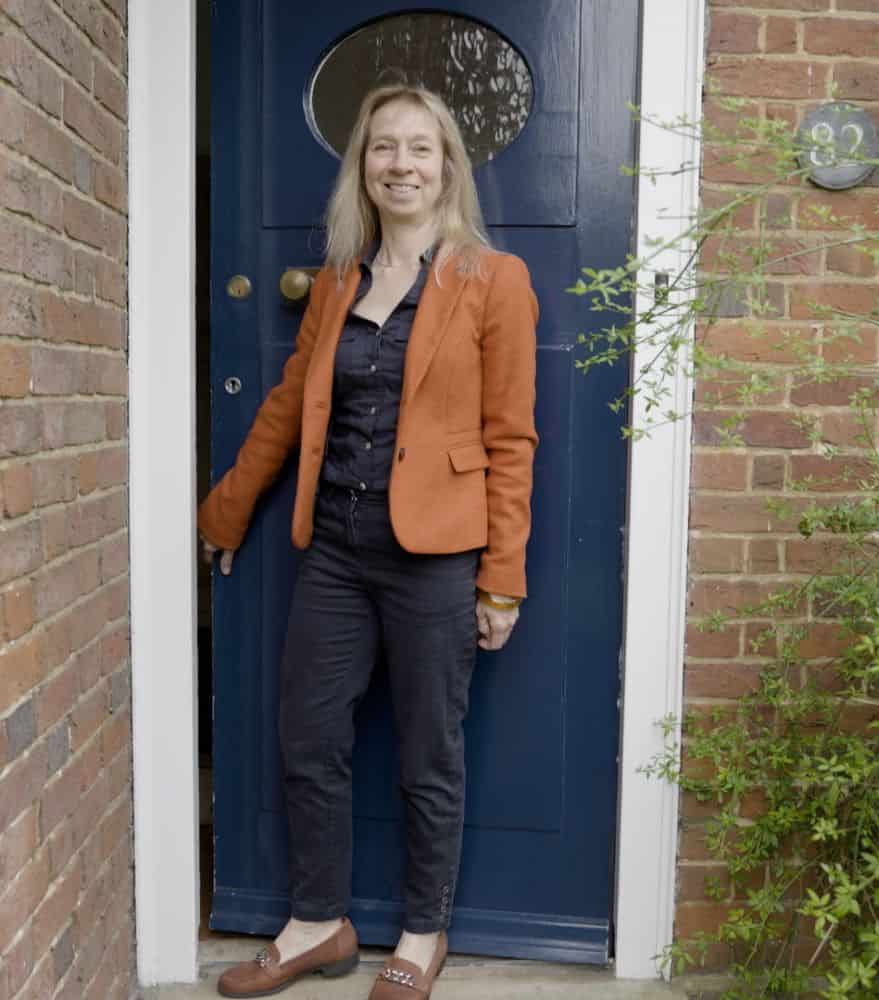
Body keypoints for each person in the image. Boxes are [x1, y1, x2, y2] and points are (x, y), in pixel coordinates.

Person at [198, 84, 538, 1000]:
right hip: (339, 550)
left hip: (438, 558)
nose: (400, 164)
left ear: (446, 167)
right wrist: (226, 510)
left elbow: (512, 438)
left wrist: (501, 577)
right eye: (383, 148)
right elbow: (286, 405)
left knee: (431, 751)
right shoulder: (340, 281)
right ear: (363, 168)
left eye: (419, 149)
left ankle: (423, 934)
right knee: (308, 735)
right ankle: (320, 922)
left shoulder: (491, 280)